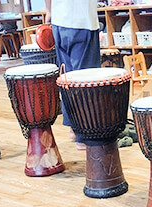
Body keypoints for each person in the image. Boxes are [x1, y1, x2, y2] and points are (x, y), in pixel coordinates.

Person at [45, 0, 101, 149]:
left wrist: (49, 11)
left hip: (59, 23)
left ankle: (73, 128)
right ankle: (83, 135)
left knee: (68, 78)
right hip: (82, 22)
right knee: (85, 80)